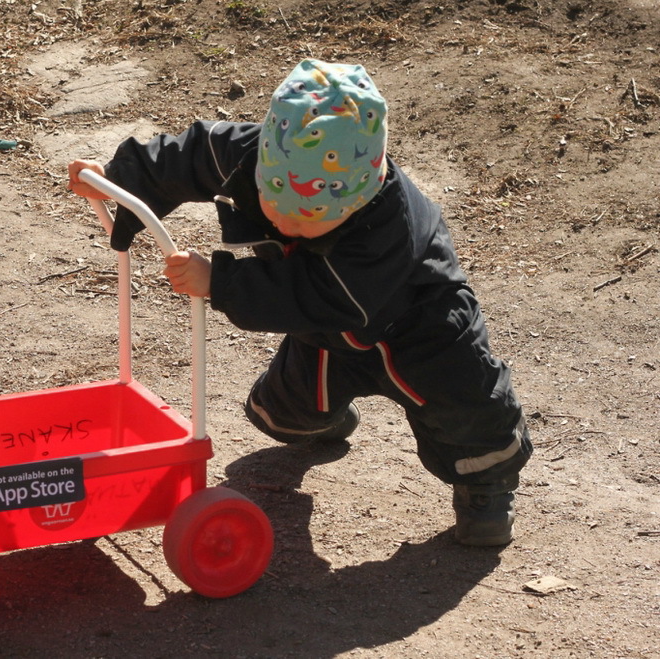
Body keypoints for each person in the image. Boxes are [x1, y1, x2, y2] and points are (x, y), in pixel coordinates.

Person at [68, 58, 532, 546]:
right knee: (280, 412)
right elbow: (187, 156)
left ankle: (487, 483)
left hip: (422, 329)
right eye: (277, 204)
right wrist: (117, 179)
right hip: (327, 337)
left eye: (314, 219)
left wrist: (221, 282)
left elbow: (320, 292)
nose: (292, 225)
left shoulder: (387, 224)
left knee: (468, 408)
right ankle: (326, 416)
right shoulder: (250, 154)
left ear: (357, 198)